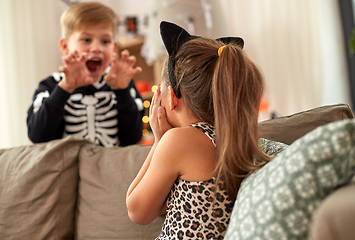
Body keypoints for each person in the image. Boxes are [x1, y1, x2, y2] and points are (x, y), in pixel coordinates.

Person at [126, 21, 272, 239]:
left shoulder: (179, 141)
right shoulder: (233, 139)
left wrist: (159, 141)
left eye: (161, 90)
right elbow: (159, 205)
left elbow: (137, 211)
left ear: (173, 98)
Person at [27, 2, 144, 147]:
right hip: (67, 168)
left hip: (111, 167)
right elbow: (38, 137)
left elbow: (134, 138)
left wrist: (122, 91)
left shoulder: (122, 85)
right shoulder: (50, 86)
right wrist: (64, 89)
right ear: (65, 46)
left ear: (114, 48)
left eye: (105, 41)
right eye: (86, 40)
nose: (96, 48)